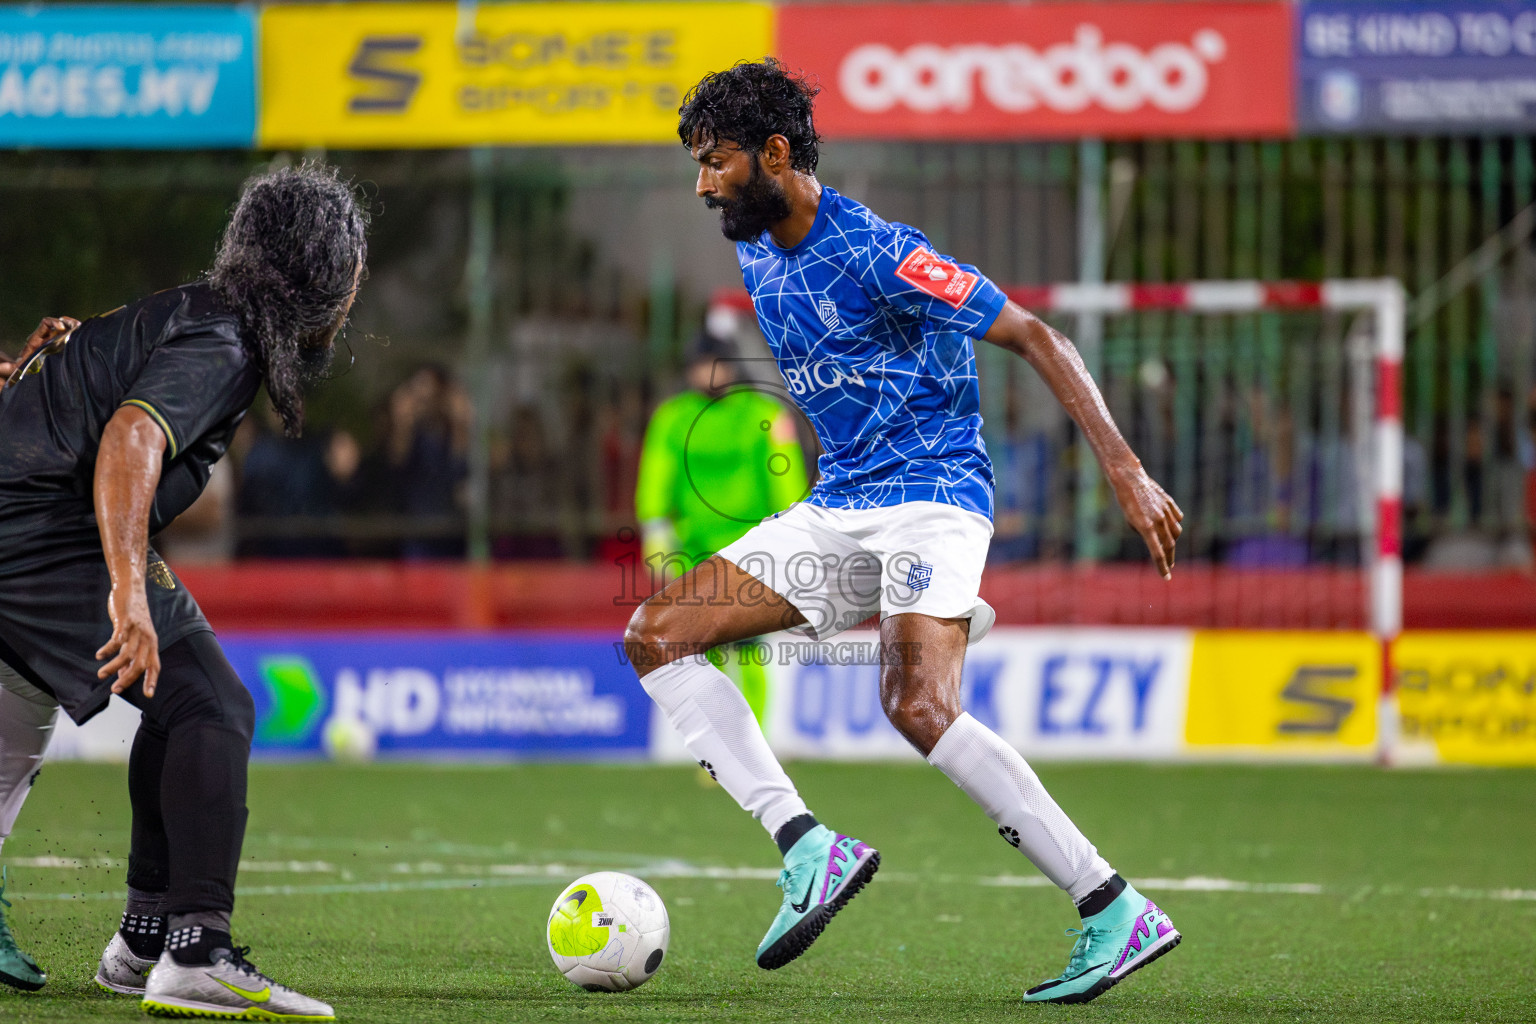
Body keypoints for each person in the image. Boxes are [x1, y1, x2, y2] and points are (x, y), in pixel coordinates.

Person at [624, 60, 1184, 1004]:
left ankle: (1111, 906)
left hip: (934, 494)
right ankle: (809, 847)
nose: (701, 184)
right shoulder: (755, 245)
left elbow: (1038, 336)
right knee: (655, 634)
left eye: (715, 162)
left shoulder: (881, 250)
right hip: (841, 505)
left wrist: (1124, 468)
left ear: (772, 154)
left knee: (917, 705)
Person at [0, 162, 367, 1020]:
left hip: (28, 523)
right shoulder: (227, 337)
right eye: (352, 272)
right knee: (216, 708)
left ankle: (143, 939)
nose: (354, 296)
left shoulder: (197, 314)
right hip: (33, 531)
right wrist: (128, 588)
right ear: (322, 275)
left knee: (180, 700)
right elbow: (130, 437)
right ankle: (195, 950)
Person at [636, 329, 807, 723]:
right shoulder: (673, 418)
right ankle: (720, 743)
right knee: (702, 653)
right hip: (692, 550)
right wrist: (655, 528)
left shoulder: (762, 414)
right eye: (700, 366)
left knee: (750, 651)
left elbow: (784, 479)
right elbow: (656, 477)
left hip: (752, 551)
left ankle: (756, 742)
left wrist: (793, 531)